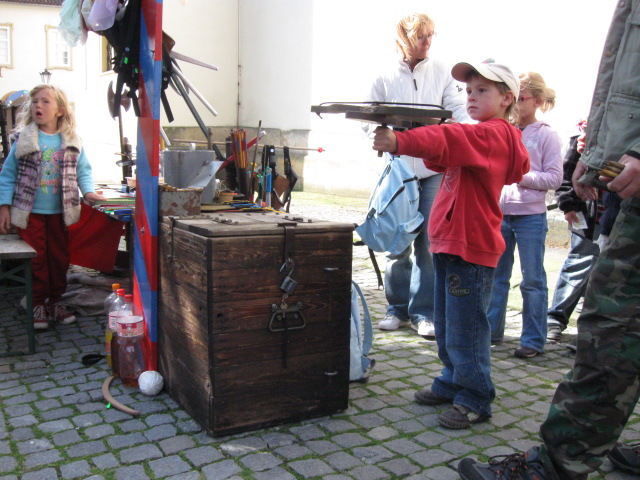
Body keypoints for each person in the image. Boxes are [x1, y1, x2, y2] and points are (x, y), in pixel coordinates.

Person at [457, 0, 640, 477]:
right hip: (618, 175)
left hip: (561, 206)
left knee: (611, 325)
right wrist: (599, 155)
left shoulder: (536, 133)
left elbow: (536, 172)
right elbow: (621, 76)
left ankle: (561, 463)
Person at [373, 59, 529, 429]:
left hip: (470, 249)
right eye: (469, 91)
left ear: (507, 98)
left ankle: (476, 397)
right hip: (450, 244)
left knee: (467, 329)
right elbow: (445, 151)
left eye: (482, 91)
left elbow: (451, 138)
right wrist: (408, 139)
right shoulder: (480, 137)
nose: (471, 97)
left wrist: (403, 139)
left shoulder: (495, 134)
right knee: (446, 323)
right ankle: (451, 381)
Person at [365, 12, 470, 337]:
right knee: (397, 244)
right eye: (421, 36)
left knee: (429, 243)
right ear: (404, 38)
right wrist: (377, 133)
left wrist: (447, 131)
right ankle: (397, 309)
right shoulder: (383, 74)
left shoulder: (441, 71)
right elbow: (369, 118)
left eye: (431, 36)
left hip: (432, 170)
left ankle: (424, 312)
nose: (427, 42)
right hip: (397, 171)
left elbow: (459, 114)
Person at [0, 84, 105, 330]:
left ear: (59, 110)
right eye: (35, 101)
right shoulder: (24, 139)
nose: (38, 105)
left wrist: (88, 192)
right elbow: (8, 175)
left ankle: (56, 302)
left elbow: (83, 171)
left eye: (46, 101)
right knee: (37, 259)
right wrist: (4, 206)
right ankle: (37, 303)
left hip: (61, 213)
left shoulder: (71, 139)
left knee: (59, 259)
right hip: (30, 213)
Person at [487, 72, 563, 358]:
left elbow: (555, 178)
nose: (516, 104)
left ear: (538, 101)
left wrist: (522, 177)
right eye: (513, 97)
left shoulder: (546, 135)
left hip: (531, 217)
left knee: (532, 280)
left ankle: (532, 340)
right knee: (496, 277)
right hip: (501, 214)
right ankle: (492, 332)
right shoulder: (503, 130)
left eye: (522, 98)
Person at [546, 128, 621, 343]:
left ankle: (589, 333)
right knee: (577, 266)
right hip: (588, 218)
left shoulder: (629, 142)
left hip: (617, 219)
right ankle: (555, 319)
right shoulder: (583, 138)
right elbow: (566, 176)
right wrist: (568, 205)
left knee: (608, 276)